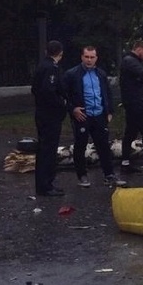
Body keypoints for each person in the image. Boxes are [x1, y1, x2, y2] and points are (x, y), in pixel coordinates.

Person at [62, 46, 125, 187]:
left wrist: (109, 111)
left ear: (96, 58)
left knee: (103, 146)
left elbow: (107, 93)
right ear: (82, 57)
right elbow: (63, 95)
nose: (89, 60)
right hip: (83, 115)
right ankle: (82, 175)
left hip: (99, 115)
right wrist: (72, 109)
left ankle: (109, 175)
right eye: (87, 57)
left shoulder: (101, 74)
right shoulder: (72, 74)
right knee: (80, 146)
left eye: (92, 57)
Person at [31, 40, 67, 197]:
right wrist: (62, 103)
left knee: (44, 149)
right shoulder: (51, 68)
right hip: (50, 114)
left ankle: (44, 184)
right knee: (48, 150)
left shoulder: (41, 67)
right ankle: (46, 185)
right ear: (60, 53)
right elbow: (49, 91)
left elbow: (35, 89)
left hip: (42, 113)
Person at [119, 40, 143, 172]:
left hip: (132, 102)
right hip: (135, 103)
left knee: (131, 132)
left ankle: (125, 163)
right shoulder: (130, 61)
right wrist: (142, 81)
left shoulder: (129, 61)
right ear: (139, 49)